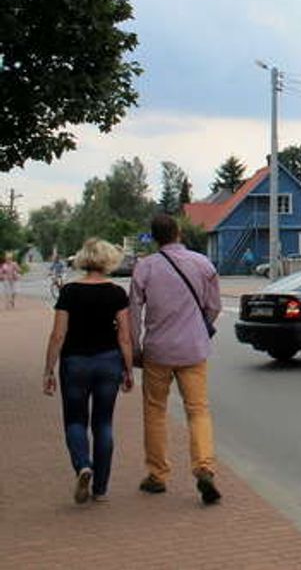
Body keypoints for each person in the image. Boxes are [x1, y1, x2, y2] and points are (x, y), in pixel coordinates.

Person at [129, 214, 223, 505]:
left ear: (155, 237)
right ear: (179, 233)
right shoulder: (203, 264)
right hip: (193, 350)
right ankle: (204, 467)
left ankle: (157, 474)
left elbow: (134, 313)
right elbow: (214, 306)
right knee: (198, 410)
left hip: (158, 350)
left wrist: (135, 348)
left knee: (155, 411)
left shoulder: (144, 268)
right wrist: (200, 330)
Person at [42, 238, 133, 504]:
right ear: (108, 260)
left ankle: (83, 464)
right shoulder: (116, 293)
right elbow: (125, 337)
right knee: (103, 423)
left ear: (83, 259)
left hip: (75, 363)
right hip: (108, 362)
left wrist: (48, 369)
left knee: (75, 421)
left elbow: (58, 334)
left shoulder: (69, 292)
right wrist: (128, 369)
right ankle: (101, 489)